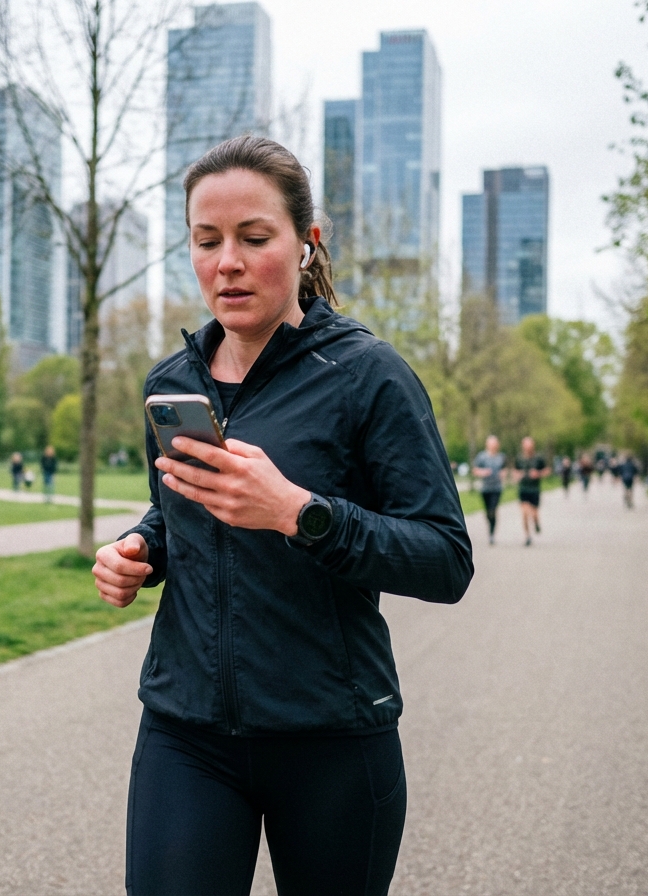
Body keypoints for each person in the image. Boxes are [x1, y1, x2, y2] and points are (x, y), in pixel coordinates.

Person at [92, 135, 474, 896]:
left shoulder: (370, 376)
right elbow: (179, 510)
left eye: (253, 238)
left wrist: (302, 513)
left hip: (332, 739)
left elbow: (445, 559)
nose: (226, 262)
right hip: (185, 730)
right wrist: (142, 546)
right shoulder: (174, 380)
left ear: (306, 244)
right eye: (206, 241)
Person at [472, 435, 505, 545]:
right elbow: (475, 470)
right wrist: (483, 472)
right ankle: (490, 525)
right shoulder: (481, 456)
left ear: (497, 445)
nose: (493, 446)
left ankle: (491, 534)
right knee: (488, 512)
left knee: (493, 510)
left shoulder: (501, 457)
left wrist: (503, 474)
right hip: (485, 488)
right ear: (487, 445)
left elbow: (505, 469)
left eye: (495, 444)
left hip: (497, 488)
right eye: (491, 444)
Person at [515, 436, 547, 547]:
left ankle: (536, 523)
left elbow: (547, 470)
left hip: (534, 489)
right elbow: (515, 471)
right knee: (524, 514)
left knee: (534, 513)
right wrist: (518, 476)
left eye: (529, 445)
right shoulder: (519, 458)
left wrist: (538, 474)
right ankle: (527, 536)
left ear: (533, 446)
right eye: (525, 445)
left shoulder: (538, 458)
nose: (527, 448)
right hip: (523, 489)